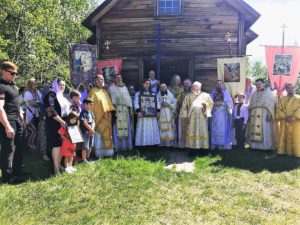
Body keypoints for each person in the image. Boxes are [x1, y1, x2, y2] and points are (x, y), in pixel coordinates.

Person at [0, 61, 25, 183]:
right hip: (8, 122)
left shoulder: (13, 86)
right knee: (8, 150)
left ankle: (18, 173)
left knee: (20, 148)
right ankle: (7, 177)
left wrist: (20, 114)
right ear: (4, 71)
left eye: (15, 74)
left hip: (18, 121)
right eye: (12, 73)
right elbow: (0, 108)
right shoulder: (1, 86)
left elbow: (16, 103)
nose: (14, 76)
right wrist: (7, 126)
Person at [44, 77, 71, 174]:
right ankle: (55, 168)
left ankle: (59, 165)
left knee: (61, 144)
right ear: (55, 85)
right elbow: (50, 110)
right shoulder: (50, 95)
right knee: (56, 145)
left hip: (62, 122)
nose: (62, 87)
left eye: (64, 85)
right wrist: (61, 122)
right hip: (54, 123)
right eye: (60, 85)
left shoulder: (62, 96)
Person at [179, 81, 213, 150]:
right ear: (192, 88)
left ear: (200, 88)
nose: (196, 89)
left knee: (202, 132)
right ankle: (191, 149)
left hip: (202, 118)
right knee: (191, 132)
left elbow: (211, 104)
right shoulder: (188, 96)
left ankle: (203, 149)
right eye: (194, 88)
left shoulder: (206, 95)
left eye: (197, 88)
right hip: (191, 119)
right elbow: (184, 107)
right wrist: (185, 117)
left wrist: (205, 106)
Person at [88, 74, 115, 157]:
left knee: (107, 134)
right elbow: (91, 105)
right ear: (96, 81)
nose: (101, 81)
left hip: (107, 117)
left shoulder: (104, 91)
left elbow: (108, 103)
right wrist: (97, 113)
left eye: (102, 80)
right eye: (100, 80)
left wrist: (110, 112)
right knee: (99, 134)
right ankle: (99, 152)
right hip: (98, 117)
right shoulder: (93, 91)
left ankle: (108, 152)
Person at [247, 78, 276, 150]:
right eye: (256, 85)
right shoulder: (254, 94)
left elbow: (272, 105)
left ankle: (265, 146)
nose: (258, 86)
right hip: (254, 115)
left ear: (263, 84)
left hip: (264, 115)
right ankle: (254, 146)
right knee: (254, 129)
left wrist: (269, 115)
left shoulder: (269, 93)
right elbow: (250, 105)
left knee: (264, 129)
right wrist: (249, 115)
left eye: (259, 84)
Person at [108, 74, 134, 151]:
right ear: (115, 79)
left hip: (125, 111)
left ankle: (126, 145)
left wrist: (130, 109)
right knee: (116, 129)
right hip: (116, 110)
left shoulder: (125, 88)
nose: (119, 79)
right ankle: (118, 146)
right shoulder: (111, 88)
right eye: (117, 78)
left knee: (126, 128)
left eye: (120, 78)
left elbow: (128, 100)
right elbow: (109, 100)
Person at [276, 83, 300, 157]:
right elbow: (278, 109)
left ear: (294, 88)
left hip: (296, 121)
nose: (290, 89)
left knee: (296, 137)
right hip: (284, 120)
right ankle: (283, 151)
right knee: (283, 135)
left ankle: (296, 152)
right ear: (286, 90)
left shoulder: (299, 98)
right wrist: (284, 117)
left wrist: (293, 118)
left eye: (292, 88)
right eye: (288, 88)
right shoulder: (282, 99)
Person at [134, 79, 160, 146]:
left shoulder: (153, 94)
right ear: (143, 84)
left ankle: (152, 144)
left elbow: (157, 103)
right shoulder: (138, 94)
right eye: (145, 83)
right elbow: (136, 102)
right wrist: (138, 111)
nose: (147, 85)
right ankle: (142, 144)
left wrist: (158, 111)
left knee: (152, 129)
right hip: (142, 115)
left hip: (152, 116)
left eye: (148, 84)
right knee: (143, 128)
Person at [210, 80, 233, 150]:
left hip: (223, 113)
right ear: (216, 85)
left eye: (220, 84)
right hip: (215, 113)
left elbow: (229, 102)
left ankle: (222, 144)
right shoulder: (213, 92)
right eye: (217, 84)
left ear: (222, 85)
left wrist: (222, 103)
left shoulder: (225, 92)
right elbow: (209, 101)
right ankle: (215, 144)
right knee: (214, 128)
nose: (219, 85)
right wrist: (214, 104)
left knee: (222, 129)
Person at [24, 78, 42, 152]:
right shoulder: (27, 93)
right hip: (30, 115)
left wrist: (37, 102)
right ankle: (30, 145)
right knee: (33, 131)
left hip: (37, 114)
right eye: (34, 84)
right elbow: (31, 103)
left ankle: (33, 146)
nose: (36, 85)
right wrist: (38, 102)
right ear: (30, 85)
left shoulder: (36, 92)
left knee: (36, 130)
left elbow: (41, 100)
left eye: (36, 84)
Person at [157, 83, 177, 147]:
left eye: (164, 86)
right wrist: (160, 104)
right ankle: (161, 144)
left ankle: (169, 144)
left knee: (170, 128)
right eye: (161, 87)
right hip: (161, 114)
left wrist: (168, 105)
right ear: (160, 88)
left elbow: (175, 104)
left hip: (169, 114)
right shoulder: (157, 96)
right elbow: (155, 104)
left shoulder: (171, 95)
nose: (163, 88)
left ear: (166, 87)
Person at [177, 79, 192, 148]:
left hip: (191, 112)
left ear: (190, 84)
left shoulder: (193, 92)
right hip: (183, 112)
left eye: (187, 83)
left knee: (190, 128)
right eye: (185, 83)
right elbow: (177, 102)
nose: (186, 84)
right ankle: (182, 145)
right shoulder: (181, 92)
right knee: (182, 127)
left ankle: (190, 144)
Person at [80, 98, 95, 162]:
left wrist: (92, 129)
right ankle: (84, 159)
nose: (92, 106)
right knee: (85, 146)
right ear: (85, 104)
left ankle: (88, 157)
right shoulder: (83, 112)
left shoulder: (91, 113)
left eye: (92, 104)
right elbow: (84, 122)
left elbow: (94, 121)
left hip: (91, 131)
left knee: (91, 145)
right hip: (85, 131)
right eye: (90, 104)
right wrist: (90, 129)